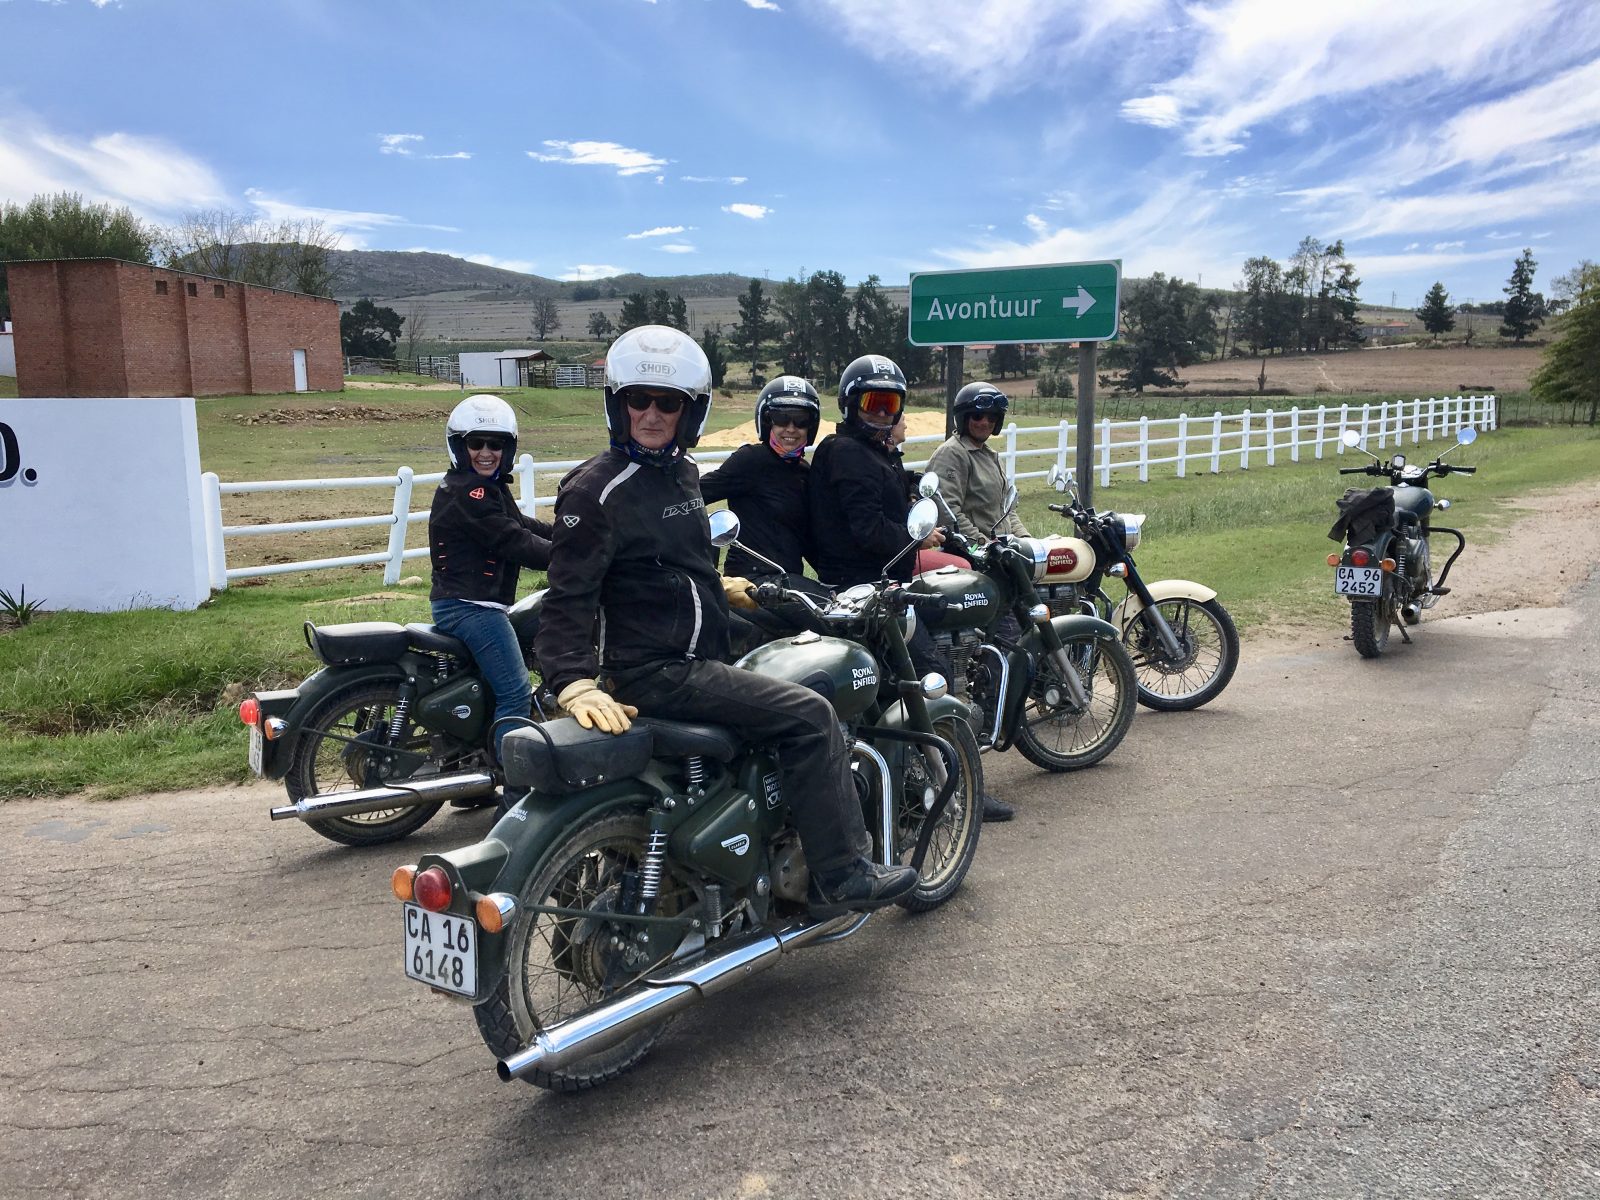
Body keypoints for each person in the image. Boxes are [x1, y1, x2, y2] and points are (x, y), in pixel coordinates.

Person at [535, 326, 919, 916]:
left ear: (690, 411)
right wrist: (571, 680)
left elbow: (677, 567)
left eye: (668, 403)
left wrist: (726, 588)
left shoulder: (680, 474)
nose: (652, 415)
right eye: (639, 400)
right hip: (659, 670)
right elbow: (567, 594)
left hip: (697, 653)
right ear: (617, 404)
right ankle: (843, 873)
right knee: (813, 715)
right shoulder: (597, 491)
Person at [809, 357, 1014, 823]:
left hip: (878, 580)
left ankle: (911, 778)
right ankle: (951, 787)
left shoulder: (870, 451)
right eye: (873, 403)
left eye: (891, 404)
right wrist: (914, 537)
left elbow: (890, 492)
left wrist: (916, 494)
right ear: (851, 405)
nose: (883, 413)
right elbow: (865, 528)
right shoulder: (848, 453)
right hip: (865, 587)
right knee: (930, 677)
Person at [428, 393, 552, 808]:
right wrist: (572, 560)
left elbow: (522, 524)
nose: (486, 452)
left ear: (507, 448)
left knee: (494, 690)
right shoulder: (472, 494)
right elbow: (514, 541)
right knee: (515, 694)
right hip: (471, 608)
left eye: (495, 444)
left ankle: (470, 783)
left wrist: (572, 534)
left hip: (467, 604)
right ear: (459, 446)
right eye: (476, 443)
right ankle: (516, 796)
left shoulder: (482, 487)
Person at [699, 375, 819, 580]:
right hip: (748, 580)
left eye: (801, 421)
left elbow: (809, 539)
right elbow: (695, 496)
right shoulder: (751, 460)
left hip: (788, 579)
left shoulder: (803, 472)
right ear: (767, 422)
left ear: (811, 426)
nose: (791, 428)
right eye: (781, 419)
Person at [926, 382, 1031, 544]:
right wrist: (983, 544)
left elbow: (1006, 510)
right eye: (977, 416)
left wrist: (1026, 540)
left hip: (1001, 548)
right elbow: (948, 513)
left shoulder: (991, 456)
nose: (985, 422)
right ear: (964, 417)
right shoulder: (952, 454)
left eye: (992, 417)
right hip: (970, 552)